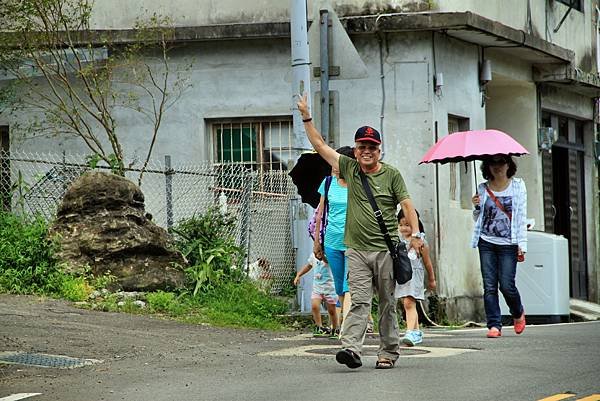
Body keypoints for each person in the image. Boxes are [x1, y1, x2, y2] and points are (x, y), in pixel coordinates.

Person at [297, 93, 424, 370]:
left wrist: (416, 235)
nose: (367, 151)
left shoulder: (391, 175)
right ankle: (351, 349)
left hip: (385, 250)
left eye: (372, 147)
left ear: (379, 151)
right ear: (355, 150)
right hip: (355, 249)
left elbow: (407, 204)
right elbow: (319, 145)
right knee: (358, 301)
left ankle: (388, 353)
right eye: (362, 146)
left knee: (388, 303)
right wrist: (306, 116)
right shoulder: (349, 169)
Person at [471, 155, 527, 338]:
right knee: (489, 286)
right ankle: (494, 325)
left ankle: (517, 312)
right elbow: (477, 217)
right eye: (492, 163)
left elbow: (520, 217)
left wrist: (522, 244)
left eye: (501, 162)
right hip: (486, 242)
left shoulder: (518, 186)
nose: (497, 166)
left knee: (507, 285)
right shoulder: (483, 188)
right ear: (487, 166)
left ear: (508, 164)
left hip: (509, 243)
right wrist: (477, 206)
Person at [313, 146, 354, 323]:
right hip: (331, 242)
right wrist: (317, 241)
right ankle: (352, 322)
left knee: (348, 286)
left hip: (353, 242)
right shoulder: (328, 183)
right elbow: (320, 215)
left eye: (338, 161)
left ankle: (348, 326)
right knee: (338, 288)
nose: (335, 165)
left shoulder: (357, 183)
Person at [395, 209, 436, 346]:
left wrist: (431, 279)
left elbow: (427, 263)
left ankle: (410, 332)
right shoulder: (397, 240)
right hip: (401, 275)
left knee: (409, 302)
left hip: (414, 275)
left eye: (407, 225)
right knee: (406, 303)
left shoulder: (421, 242)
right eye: (401, 225)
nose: (404, 228)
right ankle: (416, 331)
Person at [293, 250, 340, 338]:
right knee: (314, 306)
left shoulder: (329, 256)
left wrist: (322, 255)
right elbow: (308, 266)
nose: (316, 254)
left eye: (319, 251)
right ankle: (319, 327)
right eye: (315, 251)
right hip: (317, 288)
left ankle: (335, 328)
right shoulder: (313, 256)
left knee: (332, 310)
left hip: (330, 288)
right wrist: (298, 275)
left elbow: (326, 261)